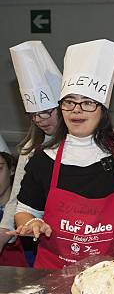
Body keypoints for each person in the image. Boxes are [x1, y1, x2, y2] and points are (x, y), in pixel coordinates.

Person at [9, 39, 114, 270]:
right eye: (69, 103)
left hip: (109, 275)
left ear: (103, 109)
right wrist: (31, 223)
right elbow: (25, 210)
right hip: (52, 274)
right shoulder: (43, 159)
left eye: (88, 103)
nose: (77, 110)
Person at [1, 41, 62, 266]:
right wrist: (3, 232)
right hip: (44, 239)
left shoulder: (89, 141)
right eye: (33, 115)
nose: (40, 120)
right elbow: (17, 199)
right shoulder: (31, 150)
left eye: (47, 112)